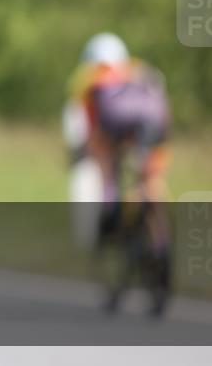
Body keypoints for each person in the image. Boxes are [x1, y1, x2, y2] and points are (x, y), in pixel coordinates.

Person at [63, 33, 172, 297]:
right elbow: (161, 105)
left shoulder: (88, 79)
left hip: (114, 129)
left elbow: (89, 129)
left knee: (105, 160)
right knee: (149, 179)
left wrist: (79, 154)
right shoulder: (141, 70)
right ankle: (161, 240)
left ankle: (111, 200)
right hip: (152, 126)